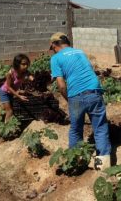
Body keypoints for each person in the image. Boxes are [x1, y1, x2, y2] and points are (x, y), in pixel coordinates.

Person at [49, 32, 111, 170]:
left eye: (52, 47)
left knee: (76, 129)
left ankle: (76, 162)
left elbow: (61, 85)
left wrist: (69, 100)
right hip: (95, 91)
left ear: (54, 45)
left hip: (76, 95)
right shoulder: (80, 52)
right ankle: (103, 167)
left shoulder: (55, 58)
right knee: (100, 127)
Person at [0, 53, 33, 122]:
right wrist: (18, 96)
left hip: (11, 92)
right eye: (23, 64)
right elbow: (8, 87)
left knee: (6, 108)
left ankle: (1, 118)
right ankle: (6, 129)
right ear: (17, 64)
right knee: (10, 111)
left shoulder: (25, 72)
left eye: (27, 64)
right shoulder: (10, 73)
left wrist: (40, 81)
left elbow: (33, 79)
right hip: (4, 92)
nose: (26, 66)